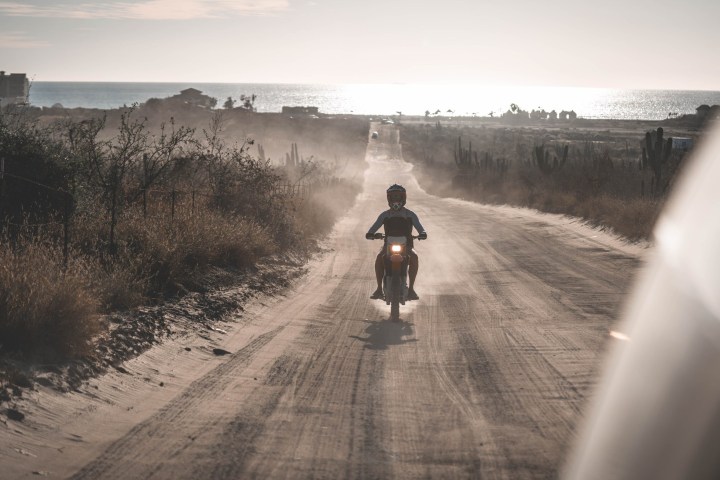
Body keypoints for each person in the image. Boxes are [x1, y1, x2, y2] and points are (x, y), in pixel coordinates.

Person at [365, 184, 427, 300]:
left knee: (414, 258)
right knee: (379, 258)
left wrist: (422, 233)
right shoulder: (385, 215)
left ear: (403, 198)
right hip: (387, 246)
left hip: (407, 246)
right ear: (388, 198)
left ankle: (411, 289)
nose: (395, 199)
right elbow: (372, 229)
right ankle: (379, 289)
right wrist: (371, 234)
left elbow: (420, 227)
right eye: (393, 196)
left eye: (398, 196)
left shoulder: (410, 214)